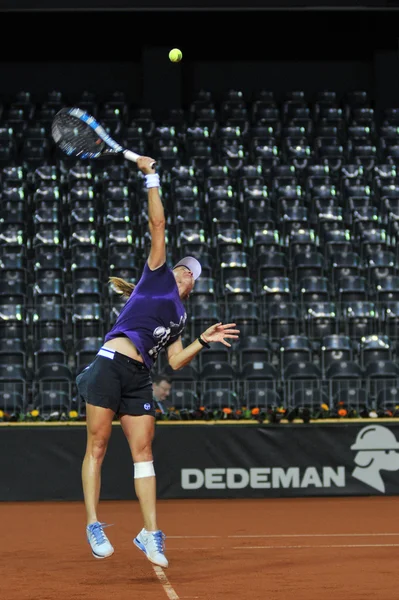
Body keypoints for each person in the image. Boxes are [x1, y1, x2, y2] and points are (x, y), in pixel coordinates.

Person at [75, 156, 240, 568]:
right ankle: (93, 524)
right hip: (111, 363)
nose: (186, 273)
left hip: (138, 377)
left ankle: (150, 535)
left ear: (193, 286)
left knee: (144, 449)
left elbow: (177, 361)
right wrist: (152, 178)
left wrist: (203, 339)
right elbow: (158, 226)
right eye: (184, 268)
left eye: (191, 273)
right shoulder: (157, 276)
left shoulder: (180, 316)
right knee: (97, 445)